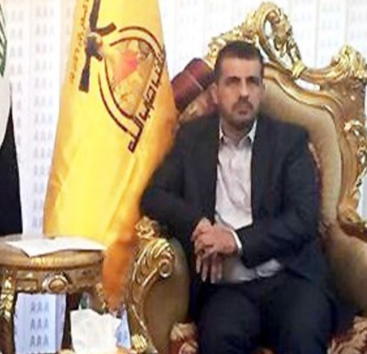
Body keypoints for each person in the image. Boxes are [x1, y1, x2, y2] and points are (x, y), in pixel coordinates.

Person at [141, 40, 334, 354]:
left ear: (262, 91)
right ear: (216, 92)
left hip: (289, 280)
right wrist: (198, 224)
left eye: (252, 82)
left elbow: (303, 219)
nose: (244, 92)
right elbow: (153, 196)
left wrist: (235, 240)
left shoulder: (290, 142)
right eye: (233, 82)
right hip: (227, 290)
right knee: (219, 340)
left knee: (304, 336)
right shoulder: (192, 139)